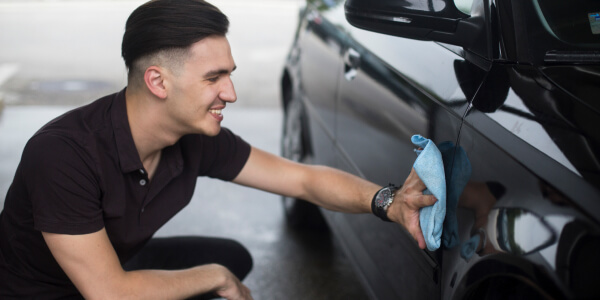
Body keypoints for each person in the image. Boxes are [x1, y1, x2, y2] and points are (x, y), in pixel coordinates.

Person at [0, 0, 437, 299]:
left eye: (229, 74)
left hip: (108, 269)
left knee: (232, 257)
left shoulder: (192, 139)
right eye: (213, 78)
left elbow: (301, 178)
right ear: (158, 82)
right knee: (216, 273)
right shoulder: (62, 155)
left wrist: (389, 202)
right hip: (55, 292)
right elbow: (109, 292)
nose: (230, 92)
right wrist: (214, 278)